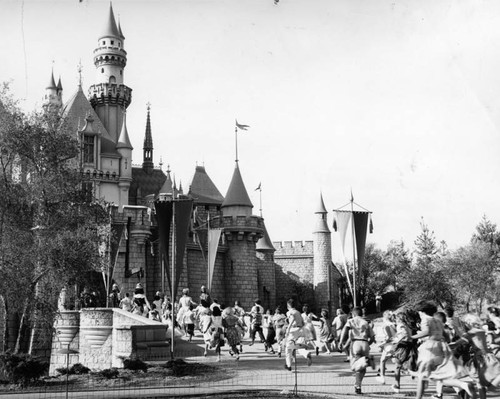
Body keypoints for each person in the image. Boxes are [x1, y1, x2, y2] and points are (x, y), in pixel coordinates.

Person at [412, 301, 473, 399]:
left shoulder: (425, 320)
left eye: (419, 312)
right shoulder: (438, 321)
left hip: (430, 348)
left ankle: (419, 397)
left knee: (422, 376)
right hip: (442, 347)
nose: (419, 314)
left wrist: (412, 337)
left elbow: (426, 332)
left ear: (422, 311)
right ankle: (462, 385)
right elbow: (446, 336)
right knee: (440, 375)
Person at [451, 313, 500, 399]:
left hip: (480, 359)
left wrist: (444, 344)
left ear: (469, 323)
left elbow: (456, 343)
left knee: (486, 386)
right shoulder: (481, 331)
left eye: (465, 323)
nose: (464, 325)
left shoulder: (471, 332)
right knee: (481, 385)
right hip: (489, 357)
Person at [339, 306, 376, 395]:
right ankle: (358, 386)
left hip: (355, 343)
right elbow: (372, 338)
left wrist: (340, 342)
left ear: (353, 314)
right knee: (361, 368)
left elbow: (345, 330)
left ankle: (368, 361)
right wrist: (368, 345)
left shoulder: (351, 321)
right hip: (365, 343)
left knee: (353, 367)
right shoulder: (366, 322)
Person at [284, 298, 312, 371]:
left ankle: (289, 365)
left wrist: (288, 329)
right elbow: (303, 322)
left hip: (293, 330)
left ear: (288, 305)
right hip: (301, 330)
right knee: (299, 346)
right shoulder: (298, 312)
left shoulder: (289, 312)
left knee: (288, 348)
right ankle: (306, 354)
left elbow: (292, 319)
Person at [376, 310, 397, 384]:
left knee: (382, 361)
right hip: (395, 345)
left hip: (389, 346)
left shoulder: (386, 325)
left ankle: (382, 377)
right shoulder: (394, 324)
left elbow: (389, 337)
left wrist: (382, 344)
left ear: (384, 317)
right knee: (395, 361)